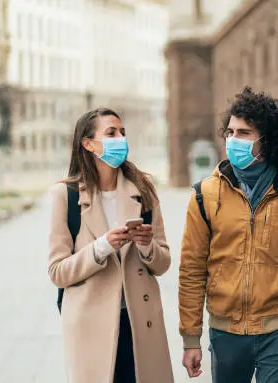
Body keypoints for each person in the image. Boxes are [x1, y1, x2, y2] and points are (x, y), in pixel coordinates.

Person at [178, 87, 278, 383]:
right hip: (226, 332)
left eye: (243, 133)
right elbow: (192, 270)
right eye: (229, 132)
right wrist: (191, 338)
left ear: (266, 141)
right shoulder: (204, 196)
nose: (232, 140)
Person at [48, 108, 174, 383]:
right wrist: (102, 247)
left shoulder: (143, 189)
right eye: (111, 133)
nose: (120, 138)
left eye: (122, 132)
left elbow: (163, 263)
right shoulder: (65, 196)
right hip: (91, 327)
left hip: (139, 323)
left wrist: (146, 245)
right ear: (88, 143)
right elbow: (57, 271)